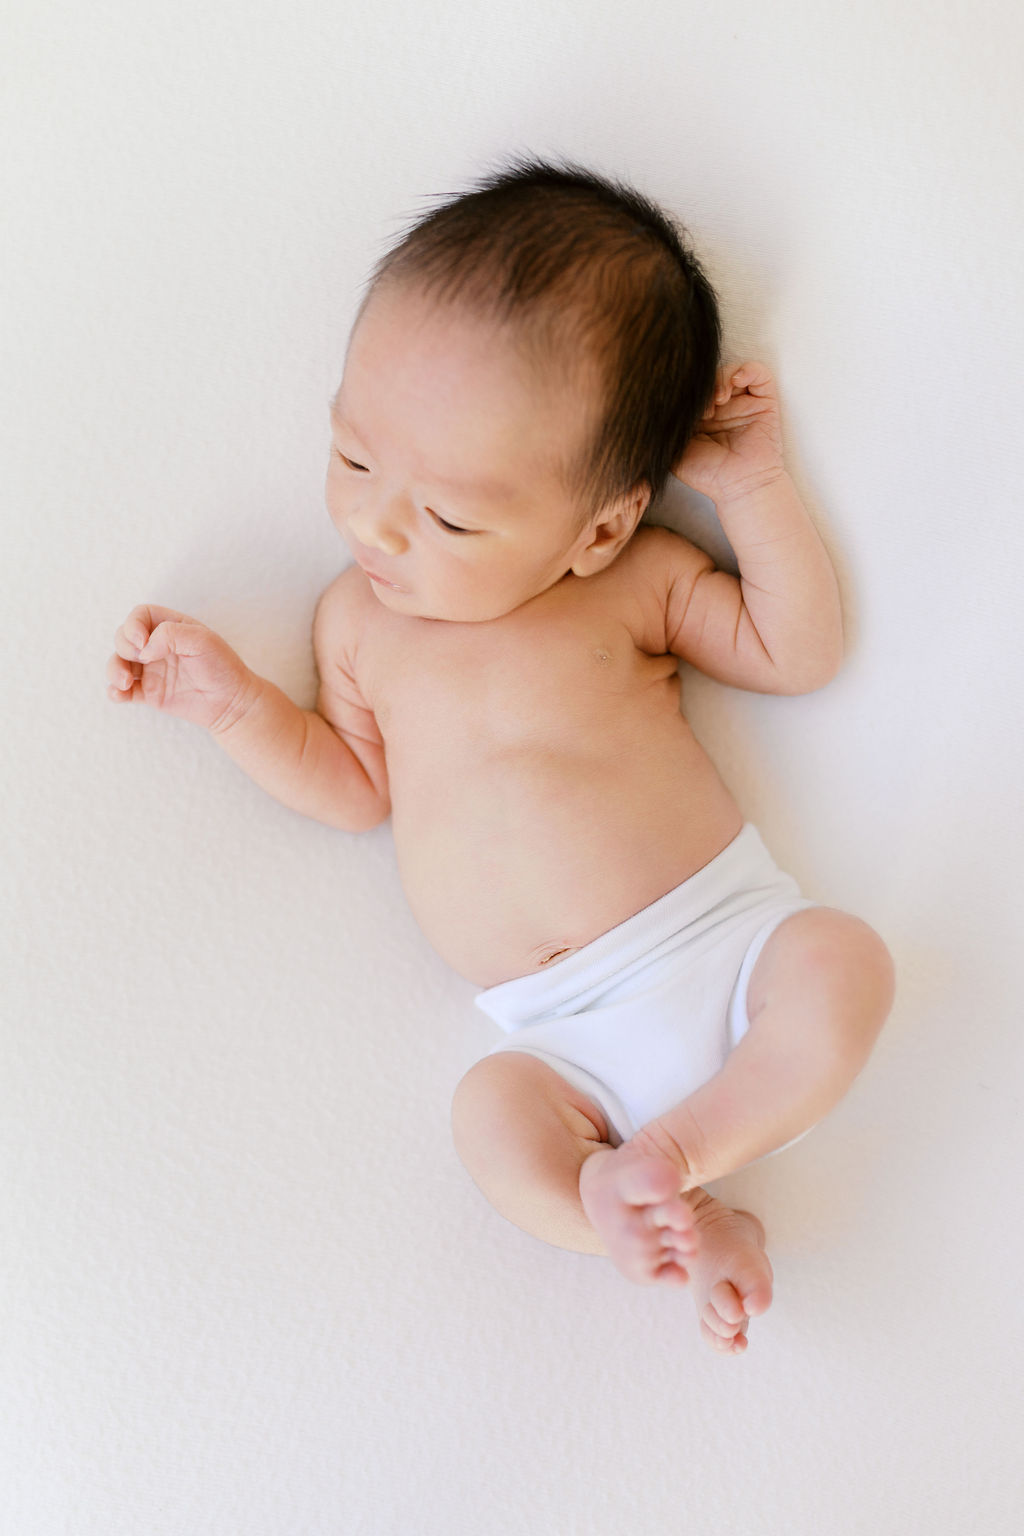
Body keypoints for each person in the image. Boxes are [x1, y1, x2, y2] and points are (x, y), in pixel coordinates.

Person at [106, 158, 894, 1355]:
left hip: (725, 954)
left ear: (599, 528)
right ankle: (658, 1217)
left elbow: (797, 651)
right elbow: (353, 788)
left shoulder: (634, 585)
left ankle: (679, 1155)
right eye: (353, 457)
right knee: (489, 1115)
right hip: (558, 1042)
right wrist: (234, 707)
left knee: (843, 960)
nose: (375, 525)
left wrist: (752, 488)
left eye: (451, 517)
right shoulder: (356, 624)